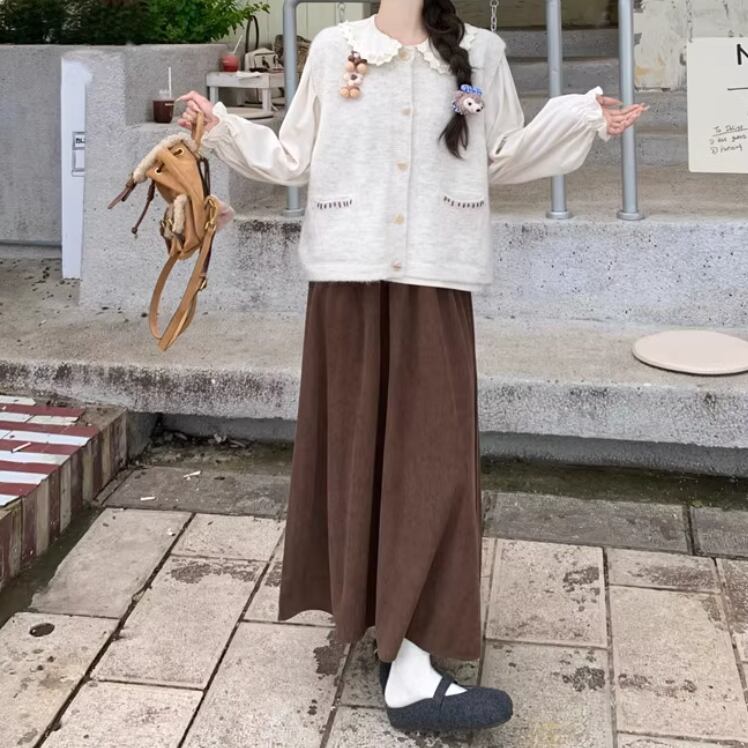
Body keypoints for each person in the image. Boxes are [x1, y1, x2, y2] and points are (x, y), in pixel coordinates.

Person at [177, 0, 645, 735]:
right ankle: (387, 637)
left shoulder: (481, 52)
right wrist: (219, 128)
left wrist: (579, 119)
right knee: (355, 456)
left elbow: (502, 155)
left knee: (435, 465)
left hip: (437, 279)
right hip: (347, 281)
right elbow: (293, 157)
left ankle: (415, 648)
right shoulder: (335, 49)